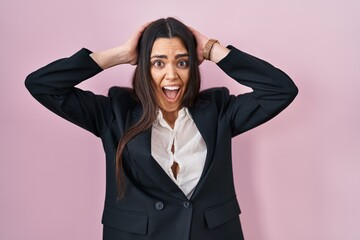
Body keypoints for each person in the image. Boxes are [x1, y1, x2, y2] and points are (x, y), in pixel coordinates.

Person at [25, 17, 298, 240]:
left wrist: (213, 50)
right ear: (143, 67)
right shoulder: (113, 112)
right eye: (157, 63)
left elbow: (280, 90)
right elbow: (42, 85)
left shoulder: (218, 110)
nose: (171, 75)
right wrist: (120, 54)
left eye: (182, 62)